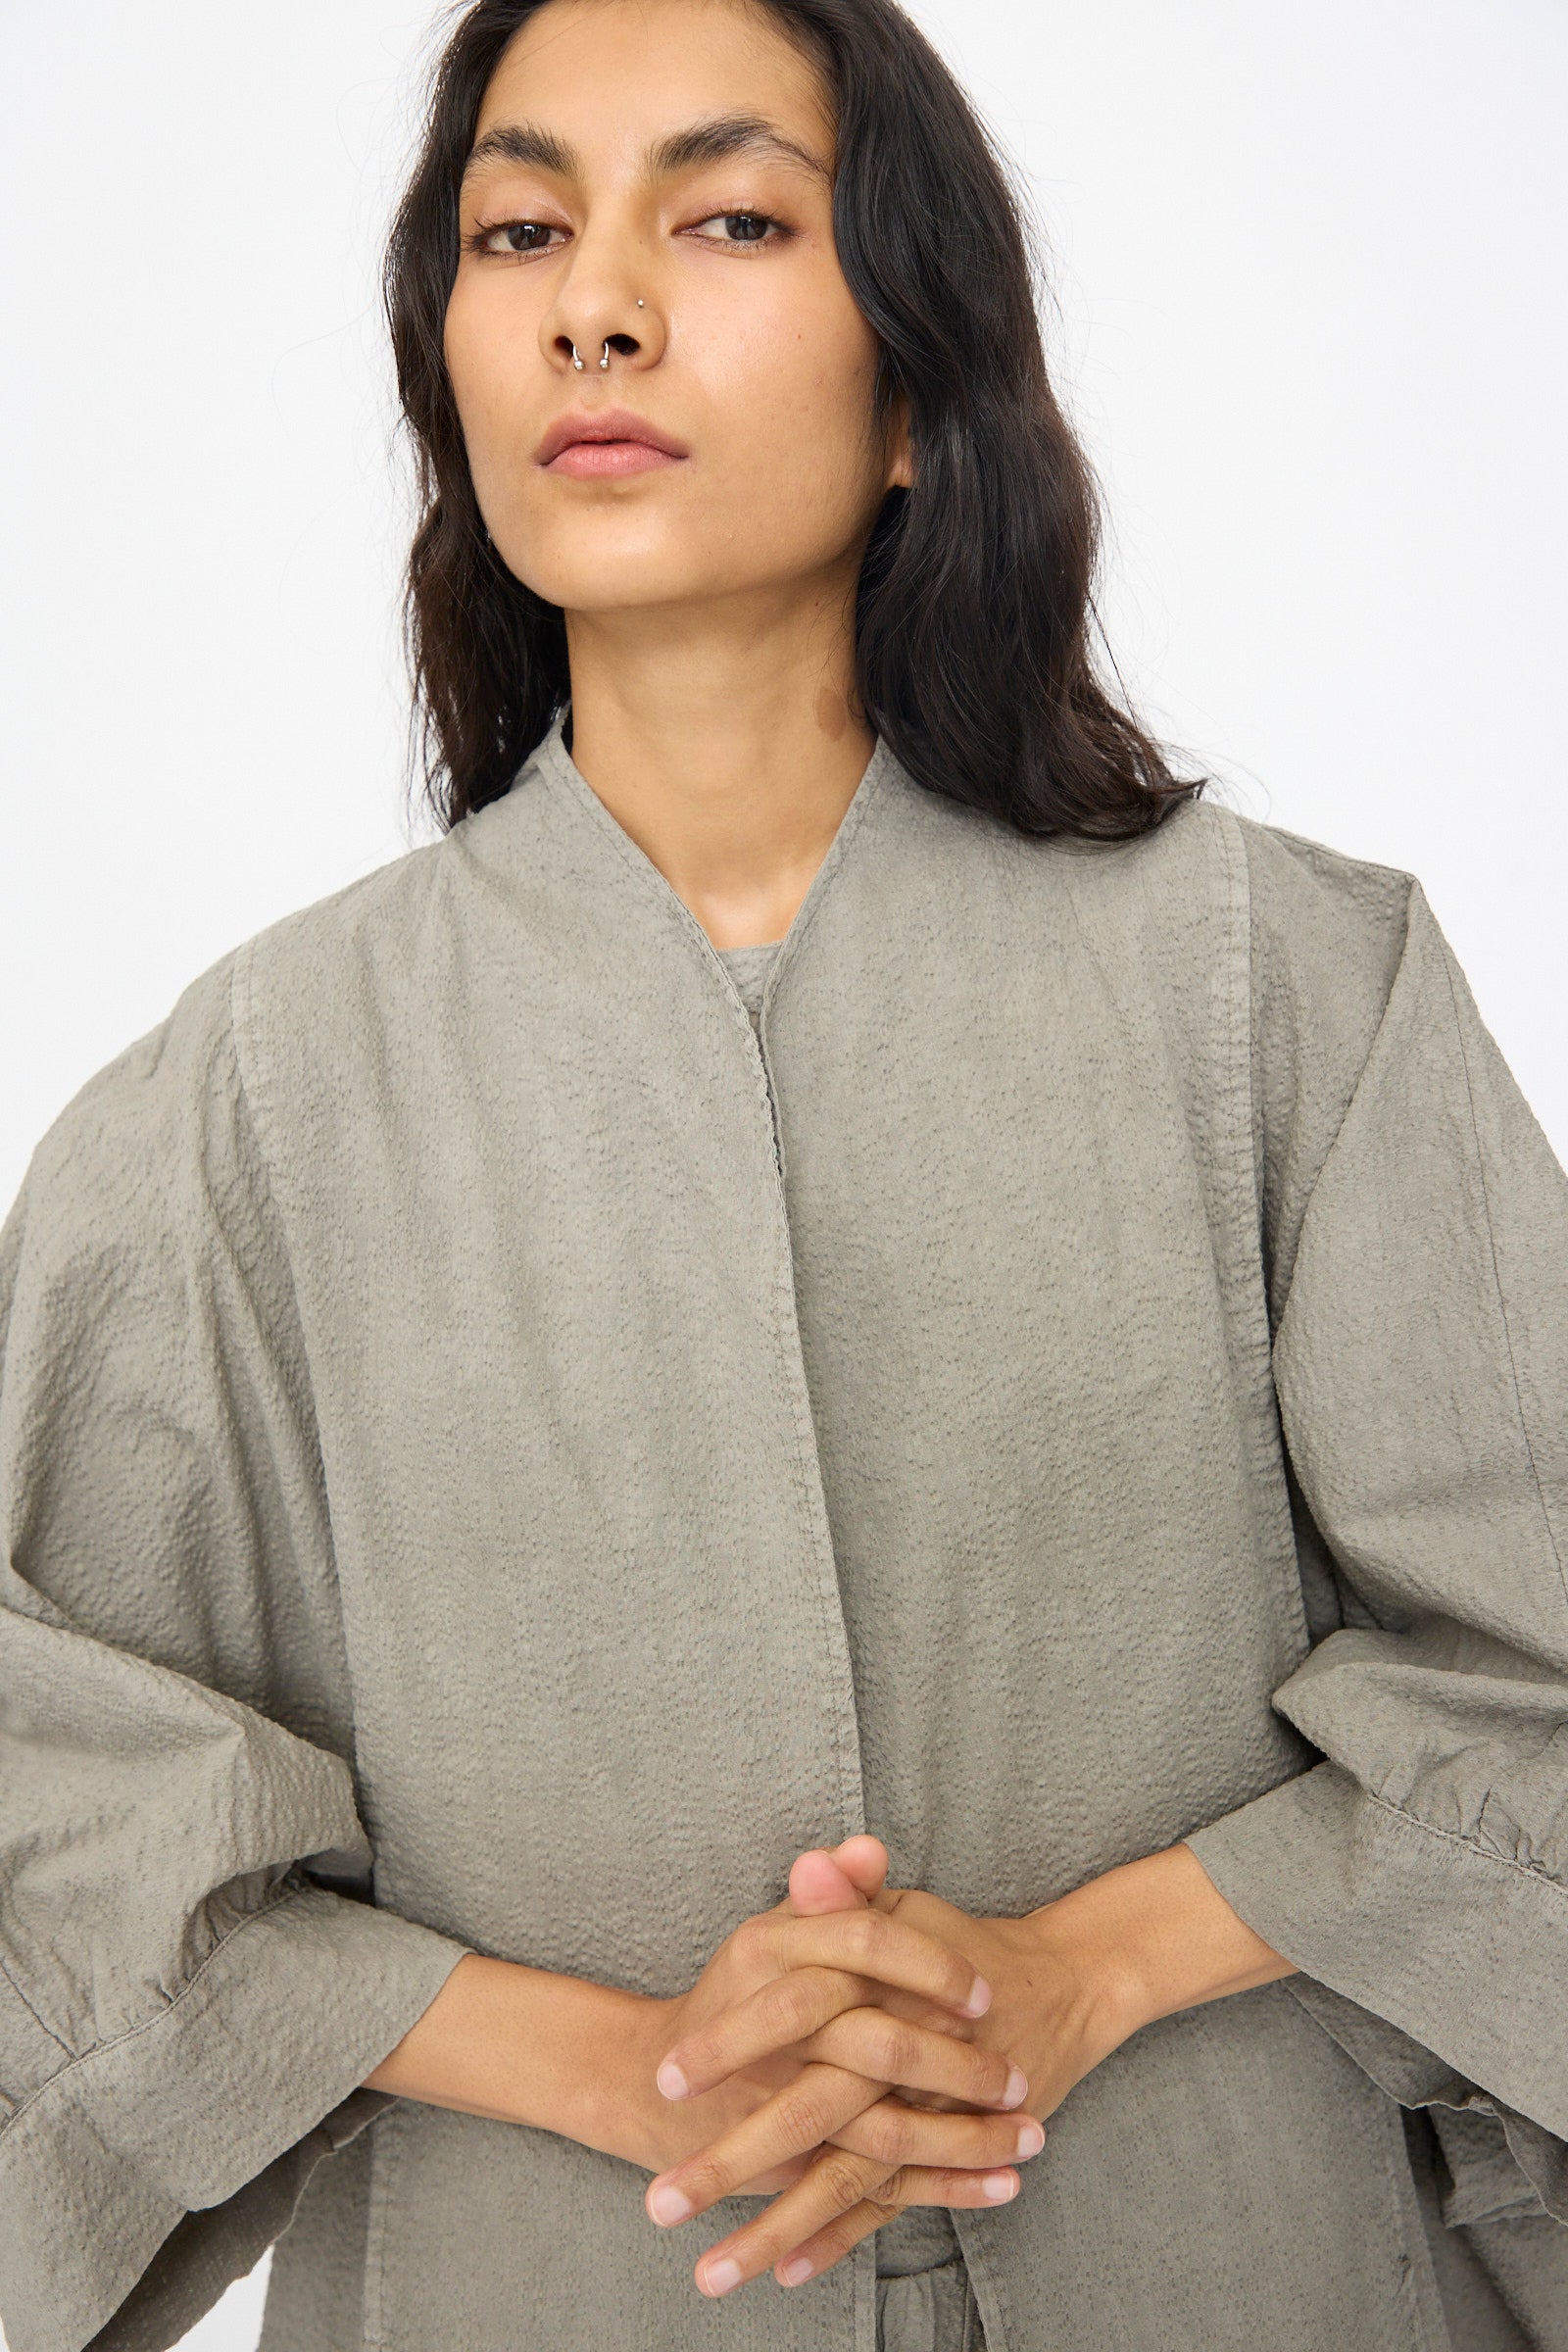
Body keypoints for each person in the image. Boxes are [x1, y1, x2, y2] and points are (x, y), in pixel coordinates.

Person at [1, 0, 1565, 2346]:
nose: (590, 302)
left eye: (725, 217)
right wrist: (617, 2063)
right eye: (517, 227)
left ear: (922, 384)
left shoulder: (1292, 992)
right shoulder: (244, 1099)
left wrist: (1072, 1972)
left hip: (1234, 2255)